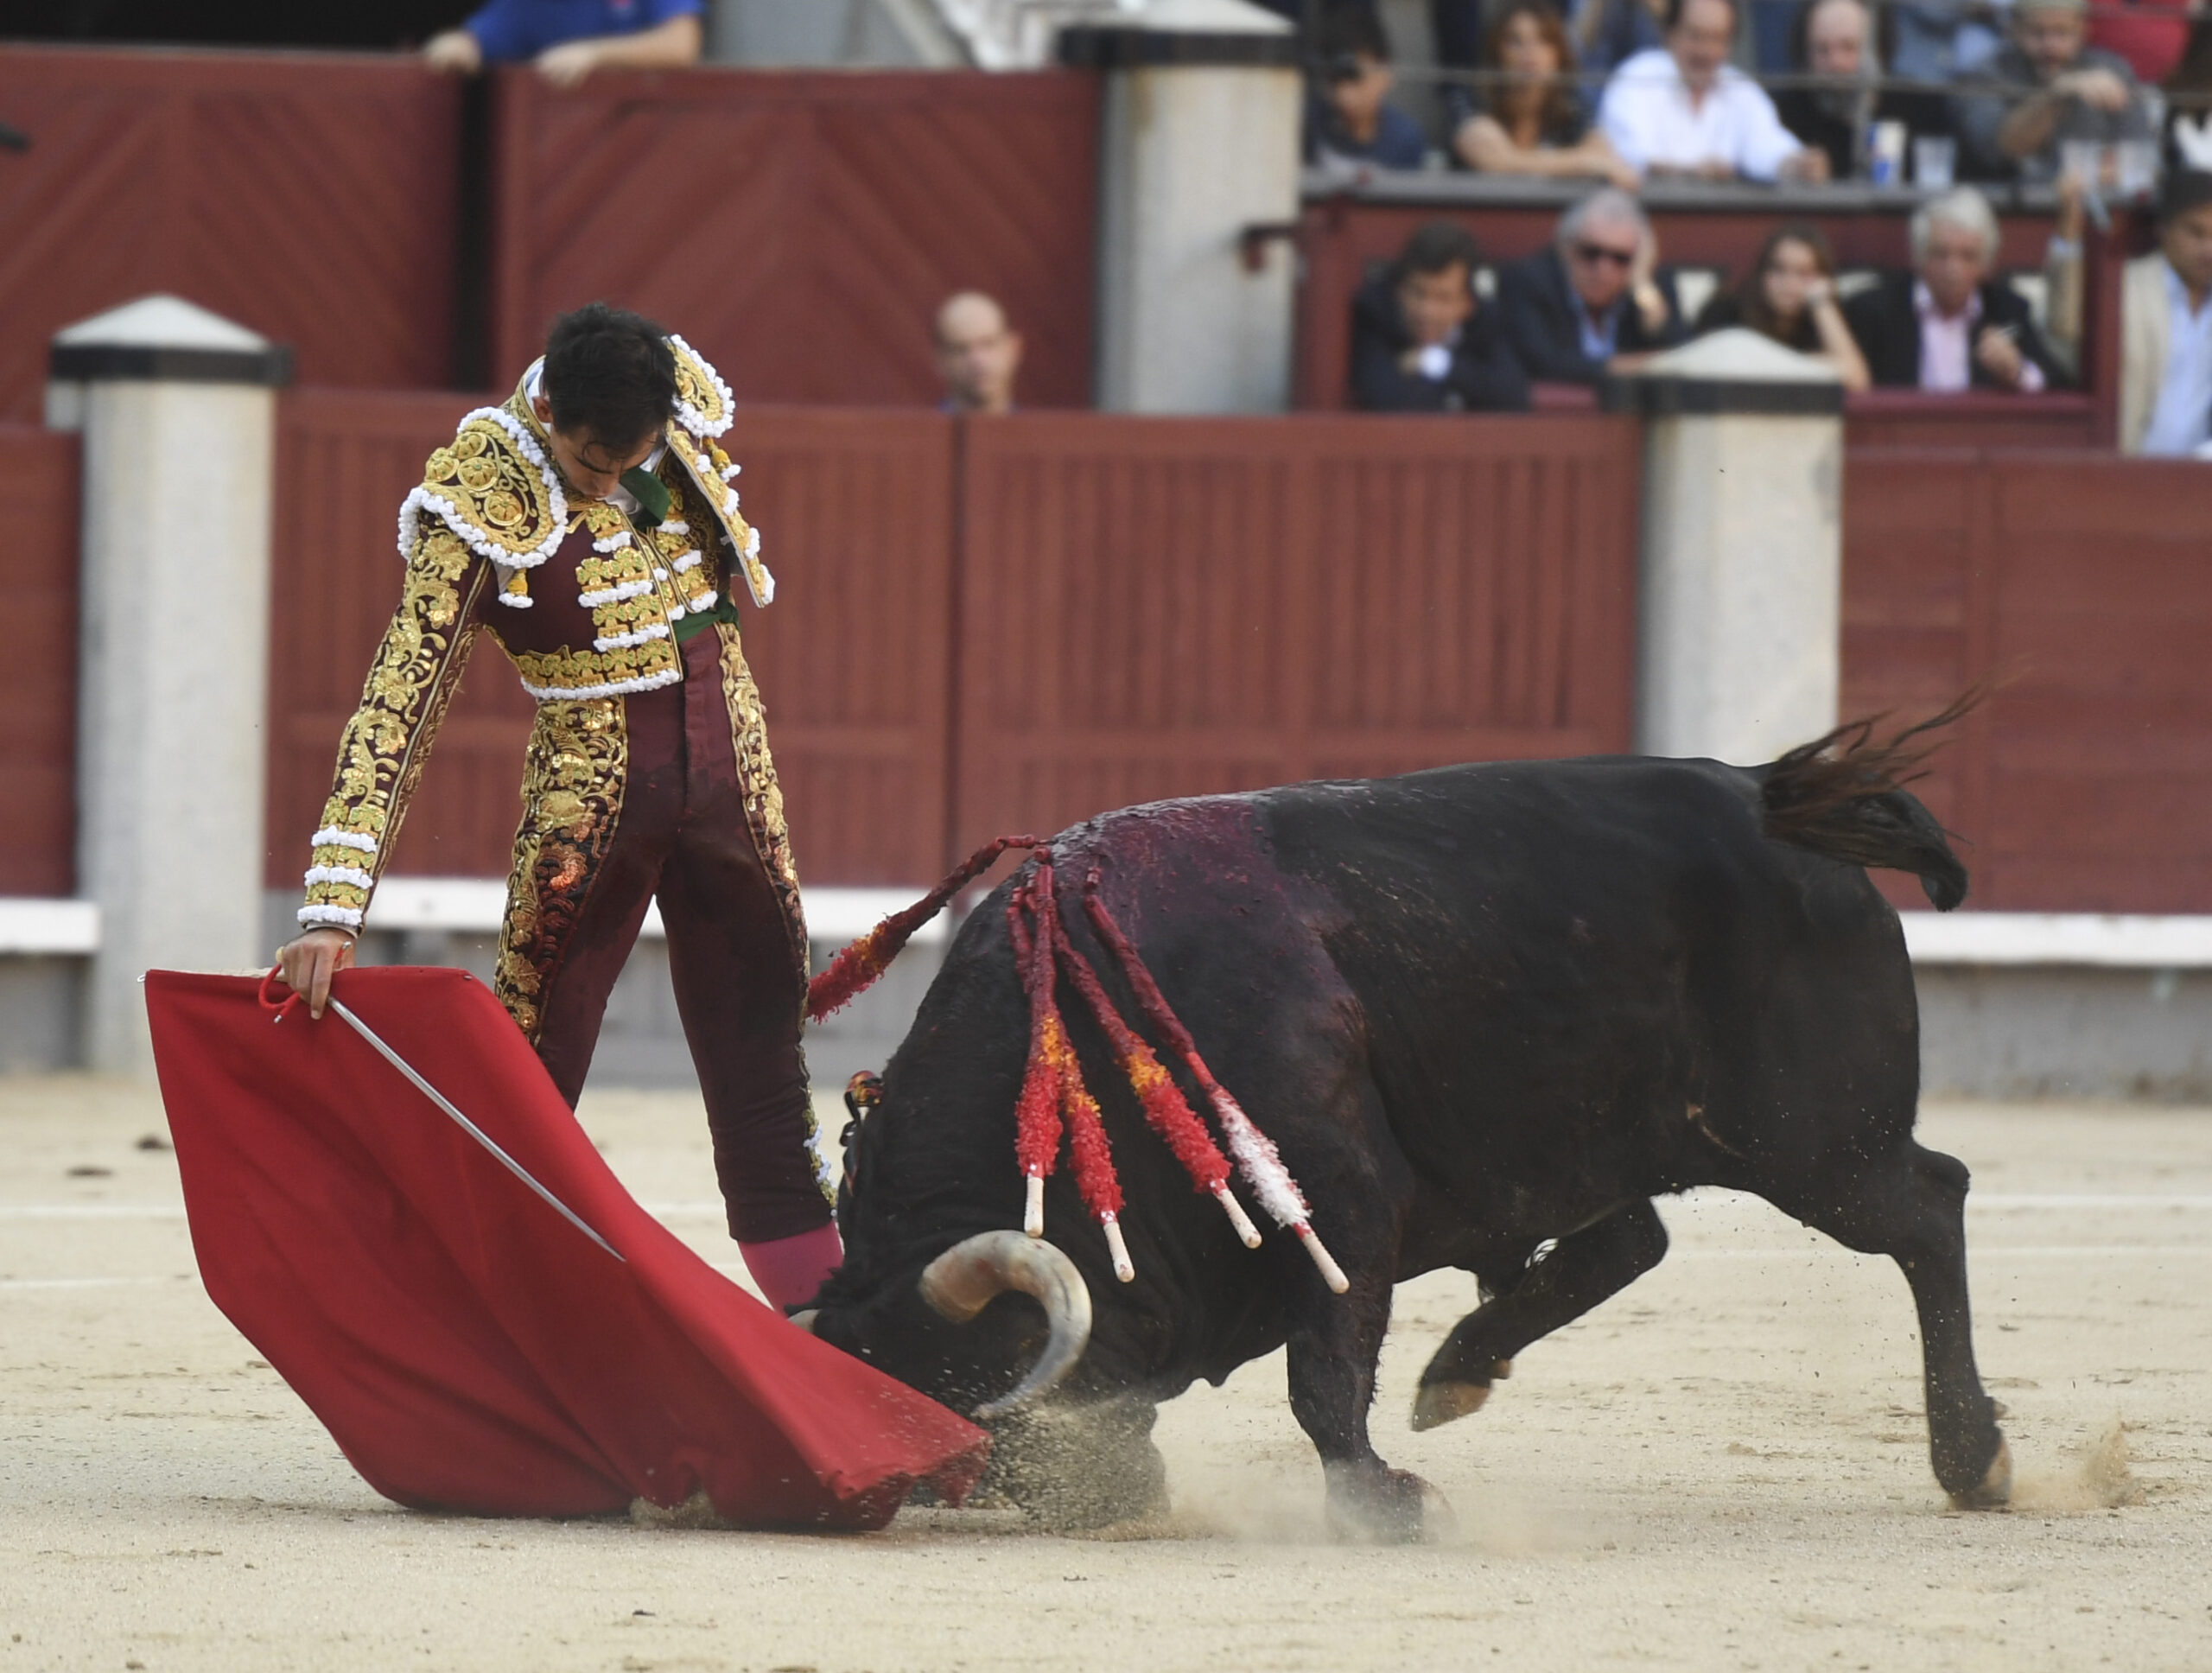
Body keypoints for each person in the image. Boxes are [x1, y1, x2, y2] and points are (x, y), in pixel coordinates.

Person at [273, 304, 843, 1314]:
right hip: (593, 804)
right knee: (533, 1071)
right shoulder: (482, 499)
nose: (611, 479)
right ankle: (491, 1315)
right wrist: (332, 904)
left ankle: (826, 1314)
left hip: (733, 786)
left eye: (633, 457)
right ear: (548, 415)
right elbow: (398, 698)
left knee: (765, 1051)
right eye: (589, 464)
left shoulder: (674, 429)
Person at [1842, 187, 2067, 391]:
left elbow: (2057, 385)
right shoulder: (1872, 311)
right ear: (1919, 258)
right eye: (1941, 254)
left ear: (1985, 264)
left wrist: (2017, 371)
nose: (1953, 269)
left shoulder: (2007, 311)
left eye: (1967, 257)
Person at [1597, 0, 1832, 181]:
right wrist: (1692, 174)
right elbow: (1628, 160)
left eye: (1717, 39)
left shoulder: (1741, 89)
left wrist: (1800, 164)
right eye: (1696, 36)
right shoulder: (1636, 78)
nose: (1706, 52)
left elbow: (1767, 147)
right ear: (1669, 34)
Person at [1495, 186, 1689, 385]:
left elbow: (1682, 359)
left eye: (1621, 258)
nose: (1603, 269)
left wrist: (1643, 289)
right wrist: (1629, 367)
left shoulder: (1651, 285)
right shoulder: (1528, 280)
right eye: (1591, 253)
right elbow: (1542, 364)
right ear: (1565, 247)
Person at [1953, 0, 2157, 185]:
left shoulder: (2112, 71)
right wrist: (2056, 94)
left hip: (2097, 205)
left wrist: (2080, 177)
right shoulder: (1985, 72)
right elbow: (2001, 149)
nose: (2050, 46)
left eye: (2062, 33)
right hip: (2009, 209)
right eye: (2037, 33)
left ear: (2083, 30)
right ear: (2014, 30)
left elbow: (2139, 159)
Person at [1451, 0, 1639, 187]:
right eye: (1516, 41)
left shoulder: (1572, 105)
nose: (1529, 53)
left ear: (1559, 54)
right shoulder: (1474, 98)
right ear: (1497, 52)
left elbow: (1613, 165)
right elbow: (1497, 161)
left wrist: (1593, 161)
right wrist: (1584, 162)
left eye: (1543, 40)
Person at [1351, 222, 1532, 411]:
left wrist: (1436, 362)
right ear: (1399, 290)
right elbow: (1385, 398)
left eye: (1443, 298)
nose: (1427, 311)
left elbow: (1513, 395)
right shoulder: (1376, 316)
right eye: (1418, 293)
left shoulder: (1486, 324)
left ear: (1467, 303)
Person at [1774, 0, 1954, 181]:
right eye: (1822, 50)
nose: (1836, 63)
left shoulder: (1920, 108)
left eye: (1849, 47)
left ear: (1878, 49)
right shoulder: (1785, 116)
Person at [1695, 223, 1873, 388]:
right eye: (1779, 269)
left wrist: (1823, 304)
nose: (1789, 283)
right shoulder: (1726, 312)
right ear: (1762, 273)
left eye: (1804, 273)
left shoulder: (1830, 319)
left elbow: (1857, 381)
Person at [423, 0, 703, 87]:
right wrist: (457, 45)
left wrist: (593, 54)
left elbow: (680, 45)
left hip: (653, 151)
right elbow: (475, 42)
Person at [1308, 6, 1430, 172]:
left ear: (1386, 72)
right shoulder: (1309, 125)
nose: (1345, 95)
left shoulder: (1406, 140)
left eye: (1355, 78)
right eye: (1335, 81)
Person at [934, 292, 1023, 416]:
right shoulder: (918, 435)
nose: (977, 360)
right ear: (940, 360)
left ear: (1013, 349)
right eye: (960, 349)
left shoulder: (1043, 435)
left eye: (988, 344)